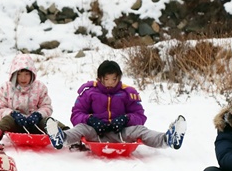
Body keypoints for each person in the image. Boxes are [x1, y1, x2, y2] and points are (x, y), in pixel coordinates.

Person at [45, 60, 186, 151]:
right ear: (99, 78)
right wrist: (90, 119)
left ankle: (168, 139)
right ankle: (61, 138)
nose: (110, 82)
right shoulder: (89, 92)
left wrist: (125, 119)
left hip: (121, 132)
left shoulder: (127, 93)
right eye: (106, 79)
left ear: (119, 78)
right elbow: (76, 114)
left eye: (114, 79)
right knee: (80, 128)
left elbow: (140, 116)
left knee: (140, 130)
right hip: (96, 132)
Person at [0, 54, 69, 145]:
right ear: (14, 75)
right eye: (19, 74)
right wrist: (12, 114)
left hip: (35, 124)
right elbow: (0, 108)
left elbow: (47, 106)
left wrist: (38, 114)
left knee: (48, 121)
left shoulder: (39, 87)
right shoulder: (6, 88)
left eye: (26, 74)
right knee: (7, 120)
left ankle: (68, 134)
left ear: (32, 74)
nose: (23, 78)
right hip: (15, 124)